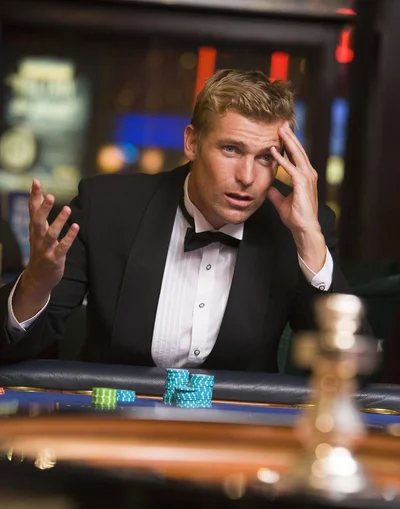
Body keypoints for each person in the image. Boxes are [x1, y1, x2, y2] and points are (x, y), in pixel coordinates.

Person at [0, 69, 351, 370]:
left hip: (238, 436)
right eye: (231, 149)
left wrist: (309, 239)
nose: (247, 176)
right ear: (192, 142)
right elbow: (16, 348)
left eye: (265, 158)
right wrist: (35, 283)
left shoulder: (298, 225)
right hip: (110, 427)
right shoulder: (107, 206)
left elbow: (347, 370)